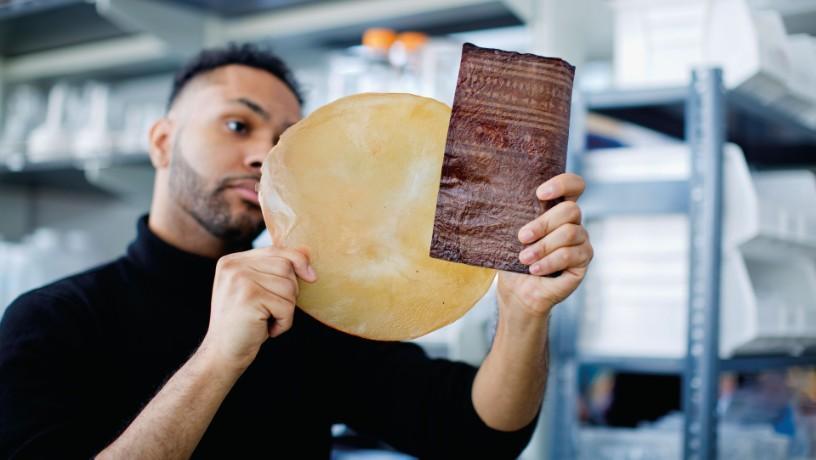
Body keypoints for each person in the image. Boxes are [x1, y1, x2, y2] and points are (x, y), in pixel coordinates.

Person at [0, 43, 593, 459]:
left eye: (286, 138)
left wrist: (522, 311)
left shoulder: (315, 305)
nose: (265, 154)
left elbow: (476, 435)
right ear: (162, 141)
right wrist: (217, 360)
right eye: (238, 126)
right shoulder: (52, 320)